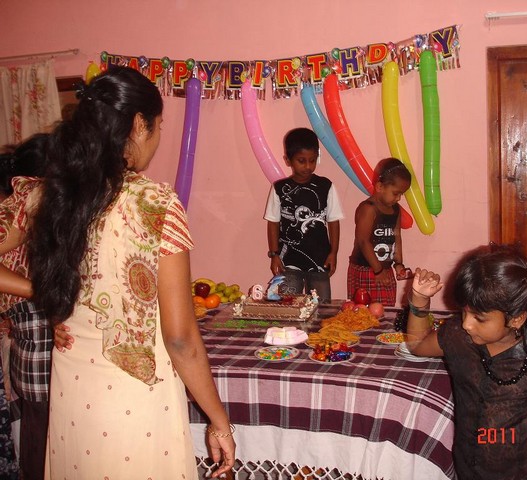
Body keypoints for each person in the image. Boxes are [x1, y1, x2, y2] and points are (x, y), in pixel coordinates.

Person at [0, 66, 235, 479]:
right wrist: (219, 422)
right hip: (133, 405)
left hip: (73, 399)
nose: (158, 138)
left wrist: (45, 289)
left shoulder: (52, 195)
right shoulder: (155, 206)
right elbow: (180, 339)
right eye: (159, 126)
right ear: (139, 124)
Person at [405, 244, 527, 480]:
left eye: (479, 318)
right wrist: (419, 300)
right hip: (468, 467)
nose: (466, 324)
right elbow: (418, 345)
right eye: (464, 312)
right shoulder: (458, 337)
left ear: (516, 319)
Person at [0, 132, 51, 480]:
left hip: (35, 340)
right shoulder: (32, 198)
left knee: (44, 440)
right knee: (42, 444)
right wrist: (41, 291)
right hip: (38, 338)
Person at [264, 127, 344, 302]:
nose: (308, 166)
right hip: (288, 260)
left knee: (322, 306)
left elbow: (333, 221)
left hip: (320, 259)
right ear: (288, 160)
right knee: (288, 306)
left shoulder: (326, 186)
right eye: (301, 161)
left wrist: (334, 253)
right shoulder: (279, 189)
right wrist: (274, 255)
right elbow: (273, 223)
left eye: (312, 160)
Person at [347, 157, 413, 306]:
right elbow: (363, 241)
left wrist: (398, 263)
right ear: (379, 187)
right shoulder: (368, 208)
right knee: (364, 312)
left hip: (385, 269)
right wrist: (378, 270)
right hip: (366, 269)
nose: (399, 198)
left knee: (386, 311)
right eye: (395, 193)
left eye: (401, 194)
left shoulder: (396, 210)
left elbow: (397, 236)